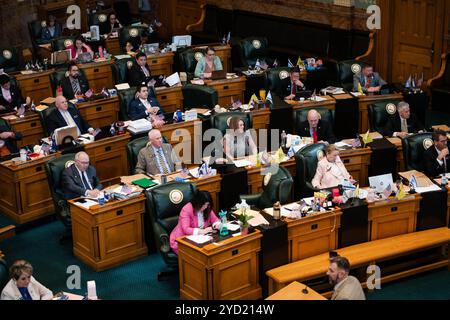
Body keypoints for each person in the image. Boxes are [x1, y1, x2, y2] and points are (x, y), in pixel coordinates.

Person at [169, 190, 221, 254]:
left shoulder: (207, 208)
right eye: (203, 205)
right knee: (200, 254)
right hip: (182, 240)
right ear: (197, 202)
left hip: (200, 238)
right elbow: (186, 229)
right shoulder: (187, 209)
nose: (205, 207)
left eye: (207, 204)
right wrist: (202, 231)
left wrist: (217, 224)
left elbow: (215, 219)